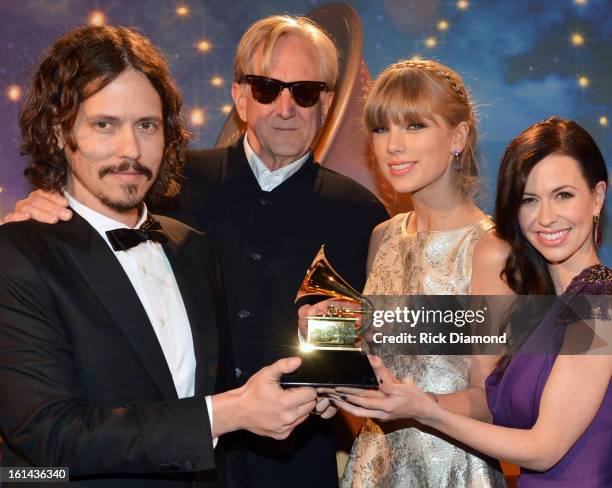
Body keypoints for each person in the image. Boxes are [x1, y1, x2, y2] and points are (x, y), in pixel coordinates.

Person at [2, 16, 388, 488]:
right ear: (240, 96)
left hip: (290, 457)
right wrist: (39, 212)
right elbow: (45, 438)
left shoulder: (357, 211)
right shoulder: (167, 183)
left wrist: (331, 381)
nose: (130, 149)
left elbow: (356, 335)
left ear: (327, 101)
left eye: (305, 91)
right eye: (267, 88)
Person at [330, 117, 612, 487]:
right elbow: (412, 334)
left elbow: (545, 447)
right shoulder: (534, 305)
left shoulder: (599, 305)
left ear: (596, 197)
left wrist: (428, 413)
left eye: (563, 195)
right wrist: (332, 328)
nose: (545, 217)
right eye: (529, 199)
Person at [301, 59, 511, 486]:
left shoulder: (491, 250)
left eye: (414, 126)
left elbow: (491, 400)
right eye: (381, 129)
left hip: (453, 471)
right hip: (372, 467)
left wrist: (420, 405)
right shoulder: (383, 237)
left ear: (458, 135)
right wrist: (328, 344)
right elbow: (381, 359)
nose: (392, 145)